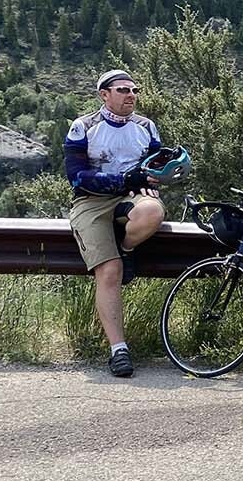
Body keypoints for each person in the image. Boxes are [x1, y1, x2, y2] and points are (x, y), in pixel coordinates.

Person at [64, 70, 170, 378]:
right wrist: (124, 178)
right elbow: (77, 177)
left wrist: (163, 173)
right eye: (123, 90)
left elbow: (154, 168)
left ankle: (126, 248)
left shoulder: (146, 127)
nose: (131, 95)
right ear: (104, 95)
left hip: (132, 199)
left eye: (134, 90)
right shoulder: (83, 127)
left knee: (154, 212)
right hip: (91, 202)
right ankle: (118, 350)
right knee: (109, 272)